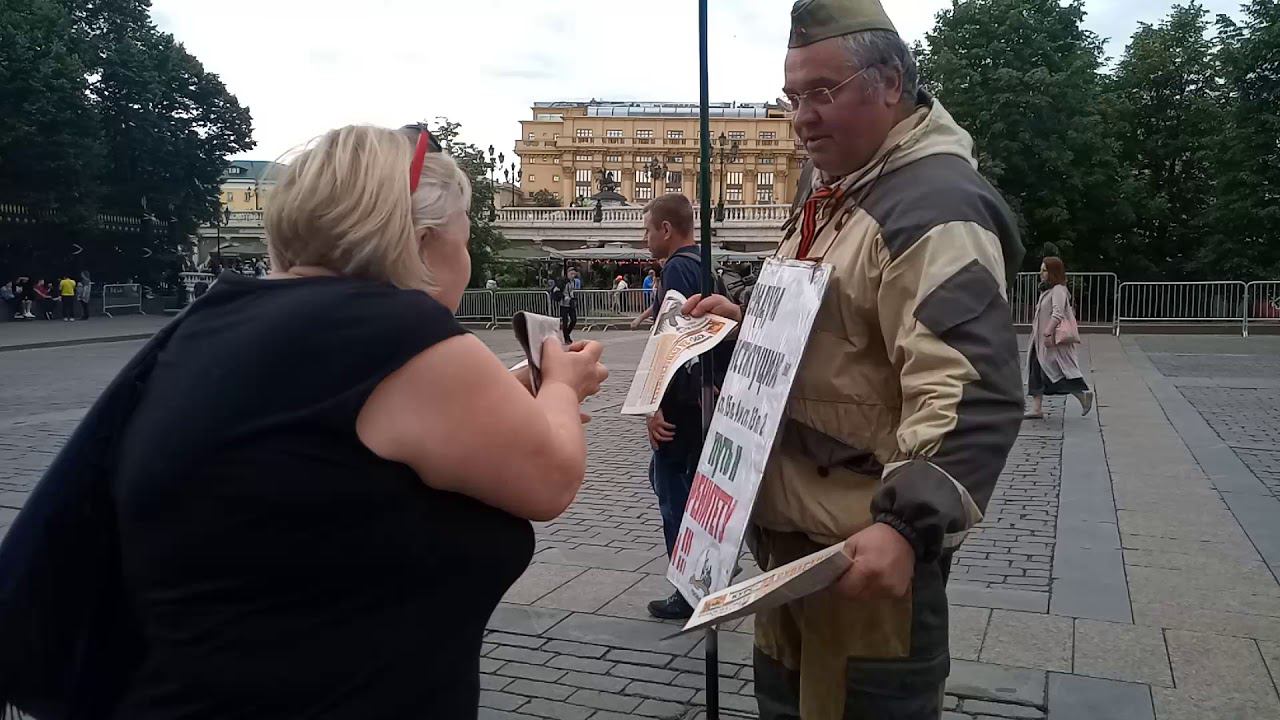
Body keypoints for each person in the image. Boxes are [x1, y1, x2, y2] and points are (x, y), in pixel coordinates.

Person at [96, 124, 607, 717]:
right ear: (422, 244)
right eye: (465, 239)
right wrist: (561, 386)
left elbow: (341, 438)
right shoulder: (400, 332)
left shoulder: (220, 319)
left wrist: (508, 395)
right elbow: (551, 479)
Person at [684, 1, 1024, 716]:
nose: (802, 118)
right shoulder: (835, 187)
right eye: (792, 97)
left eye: (822, 92)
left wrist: (905, 528)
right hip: (793, 551)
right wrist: (749, 329)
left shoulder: (933, 207)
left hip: (860, 555)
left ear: (891, 83)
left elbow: (969, 387)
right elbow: (845, 330)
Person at [638, 194, 720, 620]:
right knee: (676, 485)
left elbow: (671, 345)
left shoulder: (674, 268)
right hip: (701, 399)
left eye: (648, 229)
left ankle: (688, 589)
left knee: (675, 496)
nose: (645, 238)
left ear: (666, 230)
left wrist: (654, 405)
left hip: (679, 405)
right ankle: (705, 574)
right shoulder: (703, 264)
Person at [1026, 257, 1093, 418]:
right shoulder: (1047, 290)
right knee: (1036, 371)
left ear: (1053, 272)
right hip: (1039, 341)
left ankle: (1082, 395)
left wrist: (1048, 332)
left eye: (1044, 270)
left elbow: (1058, 313)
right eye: (1041, 270)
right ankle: (1036, 409)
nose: (1041, 273)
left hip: (1051, 341)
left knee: (1057, 372)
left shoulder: (1058, 290)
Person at [552, 267, 580, 343]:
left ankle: (567, 334)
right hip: (564, 304)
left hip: (571, 303)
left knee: (574, 320)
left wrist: (573, 298)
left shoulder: (573, 282)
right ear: (567, 274)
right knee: (565, 321)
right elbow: (556, 291)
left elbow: (572, 291)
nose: (573, 276)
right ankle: (566, 338)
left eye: (574, 274)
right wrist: (563, 297)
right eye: (571, 274)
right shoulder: (563, 282)